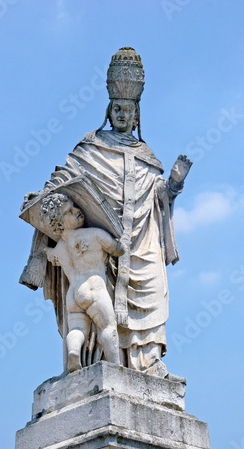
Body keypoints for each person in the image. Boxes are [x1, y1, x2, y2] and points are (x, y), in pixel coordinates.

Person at [20, 47, 192, 377]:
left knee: (155, 291)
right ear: (109, 111)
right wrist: (43, 197)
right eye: (117, 108)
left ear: (137, 115)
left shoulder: (147, 155)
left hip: (141, 238)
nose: (123, 114)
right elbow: (65, 181)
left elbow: (157, 194)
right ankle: (99, 363)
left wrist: (172, 185)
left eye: (129, 109)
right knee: (100, 305)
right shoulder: (90, 147)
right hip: (103, 240)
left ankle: (150, 362)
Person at [40, 193, 124, 372]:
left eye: (74, 207)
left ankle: (74, 353)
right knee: (108, 326)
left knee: (77, 328)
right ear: (60, 224)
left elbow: (52, 257)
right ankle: (116, 367)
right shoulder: (94, 234)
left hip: (73, 294)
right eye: (70, 211)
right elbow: (118, 250)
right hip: (94, 287)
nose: (78, 211)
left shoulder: (59, 248)